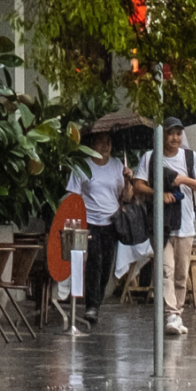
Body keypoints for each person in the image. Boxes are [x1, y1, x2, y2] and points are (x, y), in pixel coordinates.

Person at [134, 117, 196, 336]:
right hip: (160, 224)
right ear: (162, 135)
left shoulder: (190, 158)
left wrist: (183, 180)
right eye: (170, 133)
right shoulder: (150, 158)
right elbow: (138, 185)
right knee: (165, 269)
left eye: (178, 133)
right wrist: (159, 193)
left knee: (180, 273)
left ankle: (177, 312)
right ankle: (171, 314)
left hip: (186, 224)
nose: (175, 138)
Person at [65, 130, 133, 325]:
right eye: (101, 142)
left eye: (109, 142)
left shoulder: (117, 166)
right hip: (89, 222)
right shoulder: (82, 166)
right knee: (94, 261)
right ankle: (91, 305)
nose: (106, 146)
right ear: (92, 144)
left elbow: (127, 197)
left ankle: (97, 301)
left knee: (106, 264)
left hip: (111, 222)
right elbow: (73, 195)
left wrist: (128, 180)